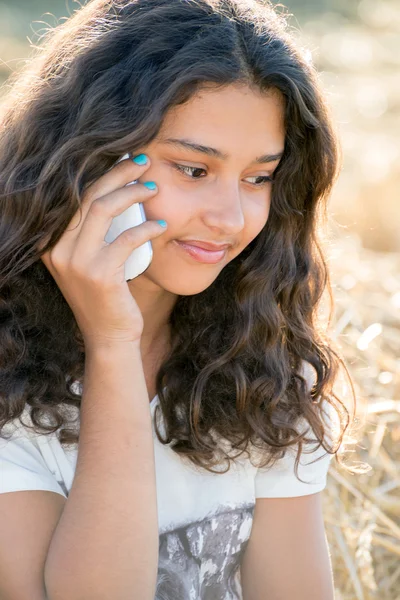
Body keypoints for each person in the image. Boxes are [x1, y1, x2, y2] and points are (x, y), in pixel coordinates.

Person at [0, 0, 356, 598]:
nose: (230, 218)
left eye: (259, 176)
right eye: (193, 169)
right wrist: (112, 345)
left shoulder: (261, 360)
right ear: (88, 160)